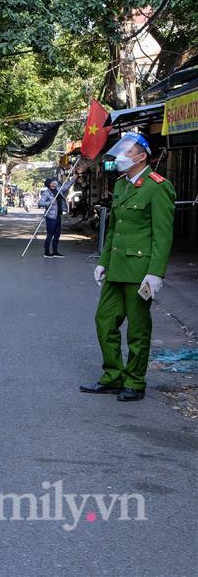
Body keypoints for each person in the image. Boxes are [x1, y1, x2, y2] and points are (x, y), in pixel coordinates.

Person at [80, 131, 176, 402]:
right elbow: (113, 229)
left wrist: (156, 272)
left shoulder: (157, 187)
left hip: (139, 271)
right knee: (105, 320)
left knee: (137, 329)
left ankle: (135, 381)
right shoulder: (121, 185)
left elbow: (163, 235)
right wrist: (103, 262)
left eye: (127, 151)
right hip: (116, 269)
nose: (121, 156)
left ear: (142, 157)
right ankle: (112, 376)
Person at [37, 177, 67, 258]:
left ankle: (55, 251)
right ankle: (46, 252)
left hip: (58, 216)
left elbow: (66, 186)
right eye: (52, 182)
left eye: (54, 181)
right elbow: (40, 203)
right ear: (49, 184)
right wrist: (49, 202)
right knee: (50, 234)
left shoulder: (58, 190)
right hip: (51, 217)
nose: (54, 182)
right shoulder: (46, 193)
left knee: (57, 234)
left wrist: (74, 178)